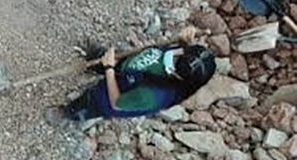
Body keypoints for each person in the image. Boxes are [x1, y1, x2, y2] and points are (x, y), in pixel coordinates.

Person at [56, 43, 216, 121]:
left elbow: (116, 103)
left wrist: (109, 68)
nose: (175, 53)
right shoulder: (180, 53)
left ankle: (68, 113)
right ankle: (95, 64)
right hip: (126, 71)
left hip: (108, 98)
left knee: (91, 102)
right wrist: (184, 39)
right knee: (103, 61)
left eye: (177, 58)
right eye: (180, 52)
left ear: (178, 76)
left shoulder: (153, 95)